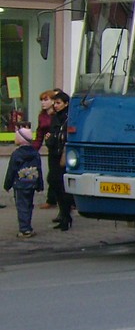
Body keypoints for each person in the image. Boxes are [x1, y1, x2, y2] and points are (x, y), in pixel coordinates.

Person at [4, 125, 44, 237]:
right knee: (29, 205)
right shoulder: (35, 153)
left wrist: (7, 185)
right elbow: (39, 169)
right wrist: (39, 184)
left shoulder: (16, 154)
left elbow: (11, 170)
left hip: (20, 184)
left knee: (21, 206)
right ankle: (28, 226)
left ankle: (24, 229)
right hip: (31, 183)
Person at [45, 90, 71, 231]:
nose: (55, 105)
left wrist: (52, 138)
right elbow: (50, 137)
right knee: (54, 181)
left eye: (58, 103)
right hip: (54, 155)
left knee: (62, 186)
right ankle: (63, 213)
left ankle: (66, 216)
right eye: (54, 103)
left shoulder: (68, 117)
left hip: (63, 156)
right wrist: (51, 138)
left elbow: (60, 136)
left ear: (66, 104)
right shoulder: (56, 117)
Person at [34, 89, 57, 208]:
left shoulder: (58, 114)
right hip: (51, 148)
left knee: (56, 175)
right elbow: (39, 134)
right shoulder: (42, 116)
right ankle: (51, 200)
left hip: (60, 147)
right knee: (52, 175)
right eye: (42, 100)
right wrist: (33, 150)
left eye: (46, 100)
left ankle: (67, 201)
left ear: (53, 101)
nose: (43, 103)